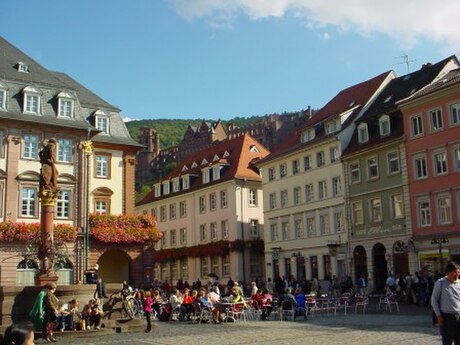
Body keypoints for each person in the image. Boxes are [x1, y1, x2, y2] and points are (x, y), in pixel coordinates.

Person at [431, 261, 460, 345]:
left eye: (458, 272)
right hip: (447, 317)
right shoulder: (440, 283)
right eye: (455, 272)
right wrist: (439, 315)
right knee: (447, 342)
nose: (457, 274)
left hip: (459, 316)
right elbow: (434, 300)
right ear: (448, 272)